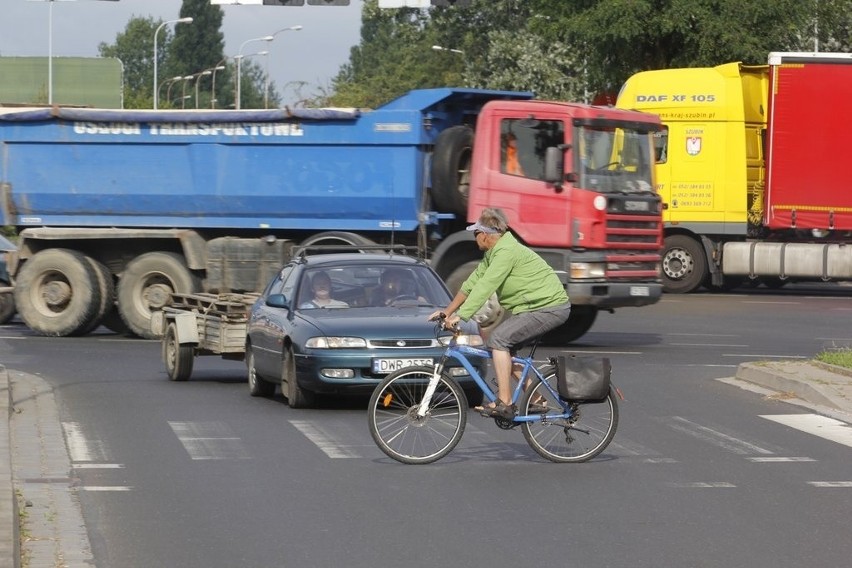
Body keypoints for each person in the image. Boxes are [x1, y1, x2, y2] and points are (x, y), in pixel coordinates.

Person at [428, 208, 571, 419]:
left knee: (498, 341)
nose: (474, 238)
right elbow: (472, 283)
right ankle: (536, 399)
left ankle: (505, 403)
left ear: (484, 234)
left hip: (549, 307)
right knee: (504, 351)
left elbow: (487, 285)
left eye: (475, 233)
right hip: (533, 308)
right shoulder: (493, 253)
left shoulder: (506, 252)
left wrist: (462, 315)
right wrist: (447, 312)